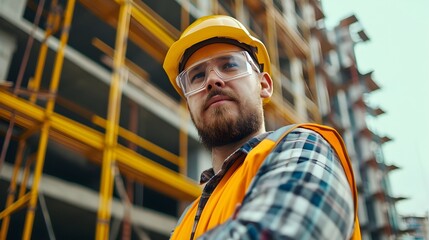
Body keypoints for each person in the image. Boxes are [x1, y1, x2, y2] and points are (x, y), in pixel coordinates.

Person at [163, 15, 361, 240]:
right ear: (189, 103)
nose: (212, 80)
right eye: (197, 76)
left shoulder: (303, 147)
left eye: (229, 65)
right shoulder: (186, 220)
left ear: (264, 85)